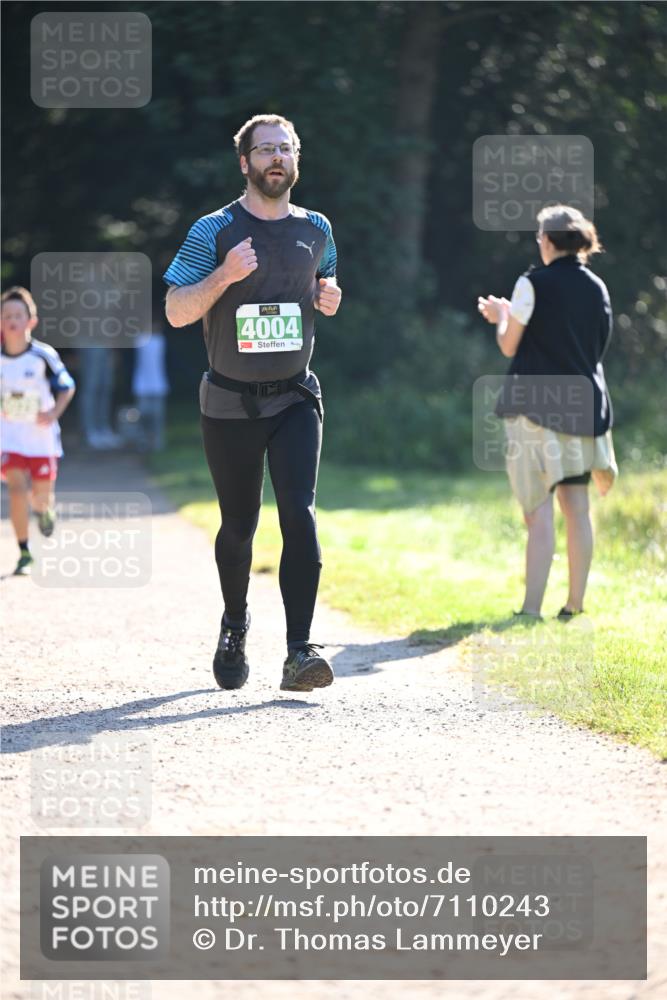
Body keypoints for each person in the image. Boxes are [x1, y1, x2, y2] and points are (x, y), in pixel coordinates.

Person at [163, 113, 342, 691]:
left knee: (300, 514)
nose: (275, 158)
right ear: (244, 163)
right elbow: (175, 309)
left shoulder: (317, 228)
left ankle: (299, 651)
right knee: (239, 527)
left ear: (296, 160)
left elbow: (324, 285)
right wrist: (223, 276)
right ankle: (235, 623)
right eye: (264, 150)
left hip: (294, 398)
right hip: (230, 403)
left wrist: (329, 296)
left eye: (285, 149)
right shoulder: (214, 229)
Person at [478, 204, 617, 619]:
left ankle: (530, 610)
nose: (538, 243)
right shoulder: (598, 287)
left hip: (536, 407)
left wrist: (501, 316)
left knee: (537, 510)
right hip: (584, 406)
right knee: (577, 508)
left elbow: (509, 344)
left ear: (550, 240)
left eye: (540, 236)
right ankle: (574, 605)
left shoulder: (531, 282)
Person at [1, 286, 76, 575]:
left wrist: (53, 413)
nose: (12, 320)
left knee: (40, 498)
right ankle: (23, 551)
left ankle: (45, 511)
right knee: (17, 491)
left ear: (31, 321)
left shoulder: (43, 356)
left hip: (41, 439)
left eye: (18, 315)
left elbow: (67, 387)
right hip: (9, 438)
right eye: (6, 315)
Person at [132, 319, 170, 452]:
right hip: (142, 386)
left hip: (158, 385)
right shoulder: (141, 340)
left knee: (157, 418)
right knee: (143, 417)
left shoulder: (159, 341)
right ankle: (143, 442)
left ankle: (157, 442)